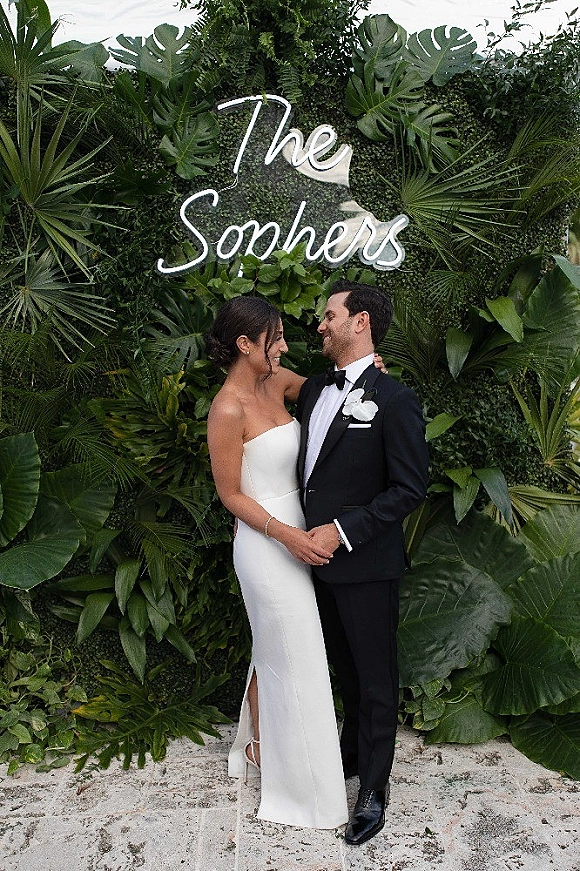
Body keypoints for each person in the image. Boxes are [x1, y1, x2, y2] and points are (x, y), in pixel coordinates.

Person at [205, 294, 348, 829]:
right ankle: (303, 791)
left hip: (298, 533)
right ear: (245, 344)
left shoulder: (278, 381)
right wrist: (286, 535)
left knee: (275, 647)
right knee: (296, 652)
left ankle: (257, 744)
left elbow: (328, 394)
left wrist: (369, 372)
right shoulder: (227, 409)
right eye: (276, 338)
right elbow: (230, 495)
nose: (285, 347)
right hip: (266, 543)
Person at [296, 279, 429, 846]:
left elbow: (409, 488)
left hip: (366, 563)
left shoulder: (394, 400)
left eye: (330, 315)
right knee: (345, 674)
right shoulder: (312, 390)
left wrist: (342, 531)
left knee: (376, 682)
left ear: (361, 322)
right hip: (311, 561)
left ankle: (374, 790)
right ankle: (351, 755)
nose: (321, 325)